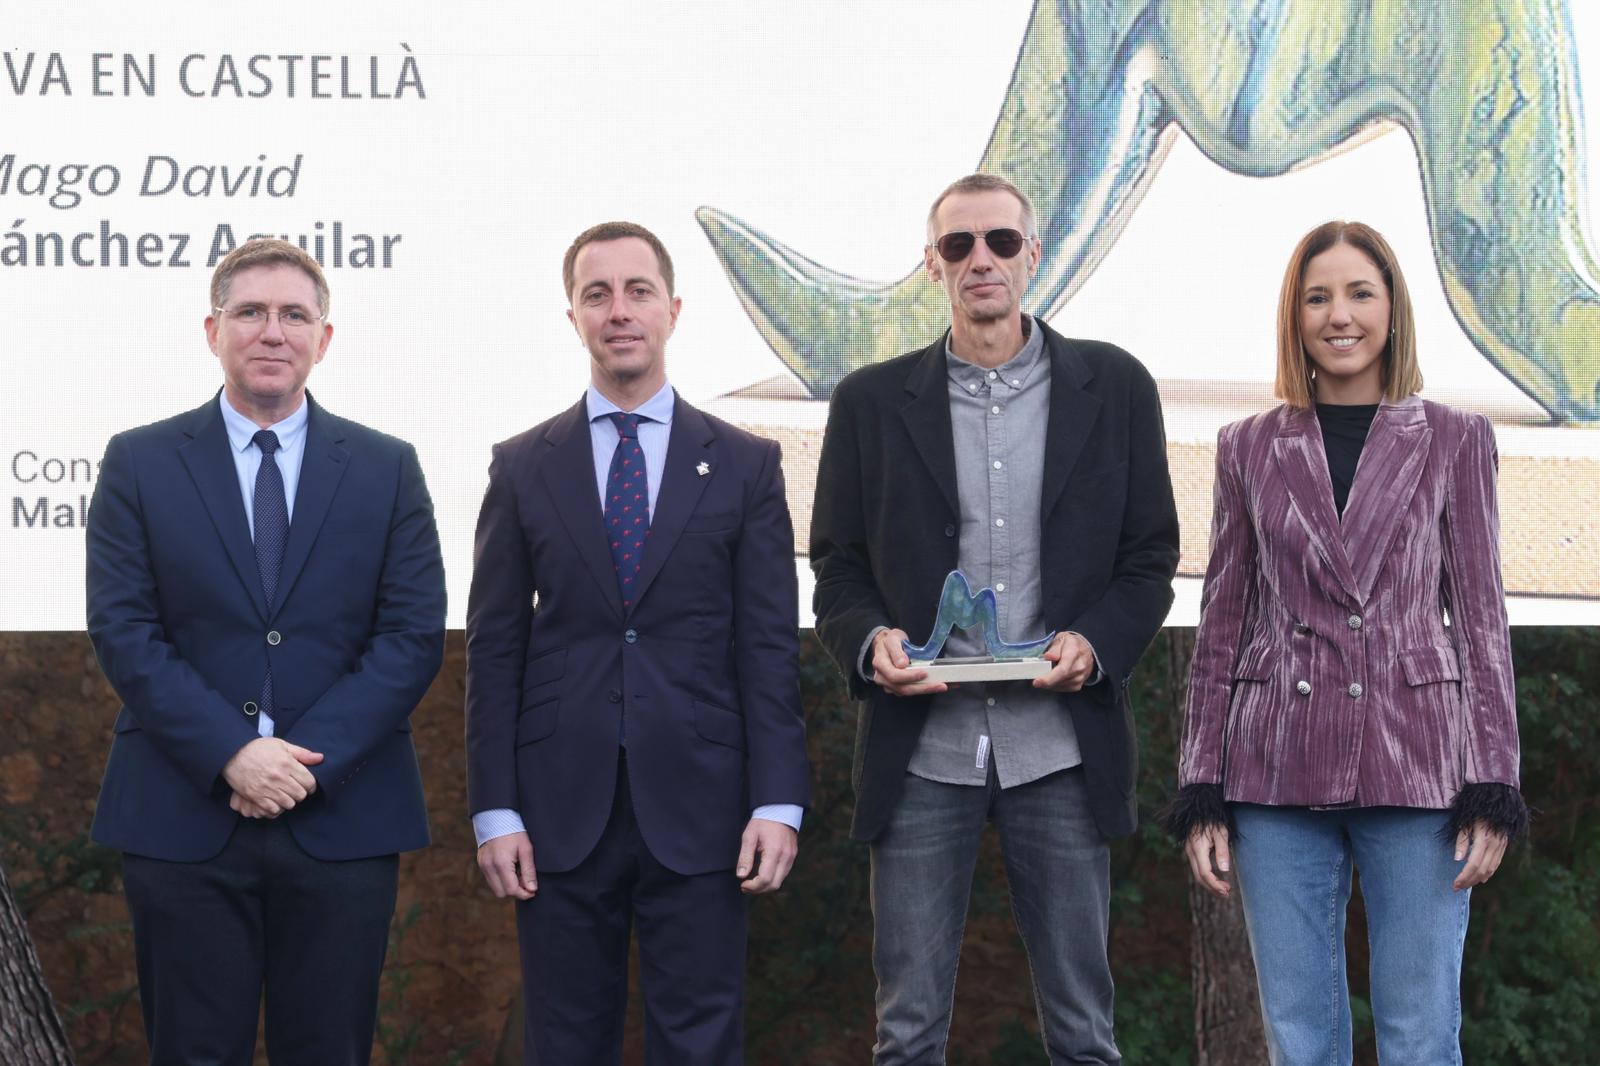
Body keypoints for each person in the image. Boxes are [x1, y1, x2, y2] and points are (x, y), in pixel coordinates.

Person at [809, 173, 1180, 1064]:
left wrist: (1096, 645)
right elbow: (837, 568)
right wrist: (870, 642)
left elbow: (1148, 560)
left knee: (1085, 1036)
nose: (982, 260)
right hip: (922, 753)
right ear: (932, 264)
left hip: (1060, 747)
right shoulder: (867, 402)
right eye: (959, 245)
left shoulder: (1117, 386)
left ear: (1033, 255)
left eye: (1001, 242)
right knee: (906, 1035)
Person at [1166, 220, 1529, 1065]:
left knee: (1421, 1036)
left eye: (1360, 293)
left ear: (1393, 309)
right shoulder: (1248, 446)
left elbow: (1481, 618)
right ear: (1294, 317)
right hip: (1275, 766)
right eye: (1317, 297)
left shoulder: (1456, 439)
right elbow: (1223, 621)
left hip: (1420, 765)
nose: (1340, 315)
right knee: (1300, 1041)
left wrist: (1494, 783)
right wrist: (1202, 785)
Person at [85, 238, 447, 1064]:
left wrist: (302, 765)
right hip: (183, 817)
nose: (272, 331)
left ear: (325, 337)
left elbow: (411, 634)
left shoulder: (388, 468)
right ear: (212, 330)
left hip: (341, 818)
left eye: (294, 314)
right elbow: (124, 629)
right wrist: (234, 753)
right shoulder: (139, 462)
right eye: (250, 312)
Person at [465, 221, 811, 1065]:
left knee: (700, 1043)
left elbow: (768, 647)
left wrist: (778, 800)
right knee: (564, 1044)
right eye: (597, 294)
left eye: (638, 291)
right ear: (574, 317)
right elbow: (494, 650)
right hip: (556, 810)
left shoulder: (746, 465)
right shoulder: (523, 466)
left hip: (705, 804)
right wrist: (494, 809)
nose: (619, 311)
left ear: (673, 310)